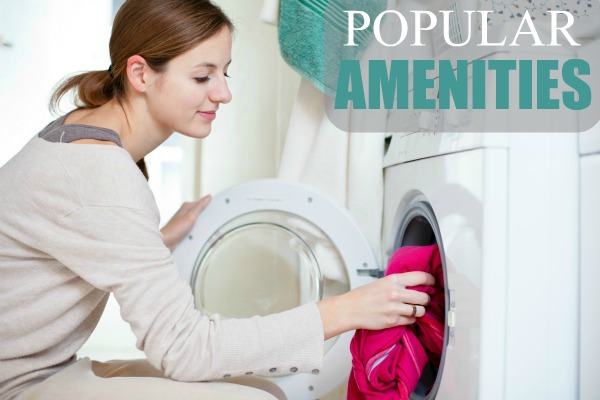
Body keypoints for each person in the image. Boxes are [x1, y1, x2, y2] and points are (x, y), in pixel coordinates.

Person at [0, 1, 434, 399]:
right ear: (140, 74)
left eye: (224, 73)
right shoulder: (101, 173)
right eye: (202, 76)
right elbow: (185, 350)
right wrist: (345, 310)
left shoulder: (83, 133)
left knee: (265, 387)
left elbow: (70, 236)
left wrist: (153, 237)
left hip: (37, 370)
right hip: (19, 384)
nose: (223, 93)